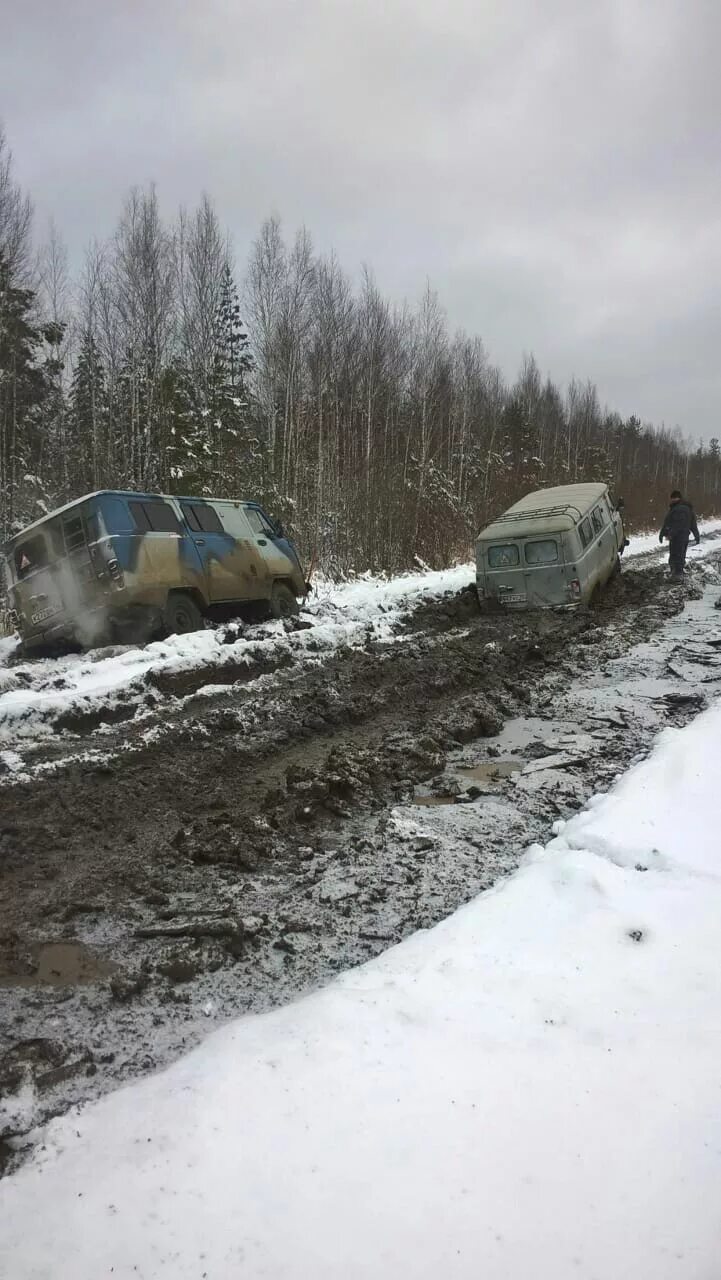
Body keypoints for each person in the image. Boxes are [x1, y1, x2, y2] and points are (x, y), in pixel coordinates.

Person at [659, 489, 700, 578]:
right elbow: (693, 524)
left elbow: (678, 524)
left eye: (672, 498)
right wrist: (696, 535)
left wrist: (670, 534)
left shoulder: (679, 509)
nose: (671, 500)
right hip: (682, 537)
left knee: (677, 556)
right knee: (679, 555)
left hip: (678, 538)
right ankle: (676, 573)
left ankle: (677, 576)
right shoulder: (684, 508)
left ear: (676, 498)